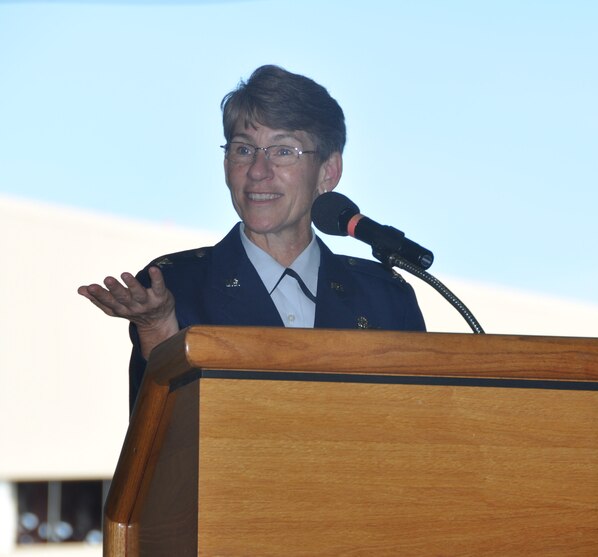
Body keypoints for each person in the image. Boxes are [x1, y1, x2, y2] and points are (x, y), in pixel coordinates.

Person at [78, 65, 426, 409]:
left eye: (283, 151)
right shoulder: (175, 288)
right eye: (244, 150)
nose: (258, 171)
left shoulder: (385, 299)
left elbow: (421, 436)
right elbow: (160, 448)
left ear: (328, 172)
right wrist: (161, 335)